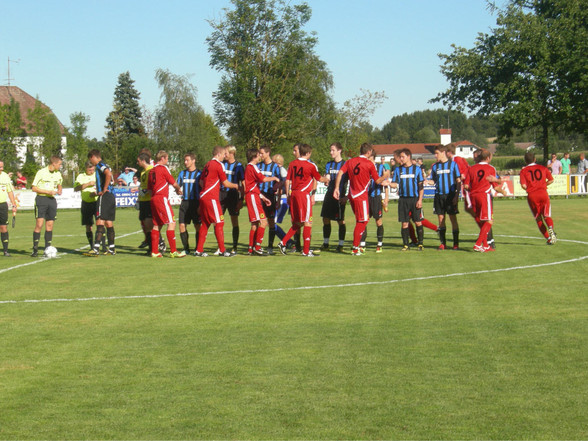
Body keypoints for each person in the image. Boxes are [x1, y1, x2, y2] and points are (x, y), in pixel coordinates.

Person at [333, 143, 389, 256]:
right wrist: (385, 175)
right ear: (368, 152)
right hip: (361, 196)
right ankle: (355, 248)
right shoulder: (369, 163)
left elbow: (340, 173)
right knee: (362, 221)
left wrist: (336, 188)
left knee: (361, 220)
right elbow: (377, 181)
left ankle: (357, 246)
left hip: (352, 196)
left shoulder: (350, 161)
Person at [277, 143, 328, 257]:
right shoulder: (310, 166)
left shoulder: (292, 164)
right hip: (303, 195)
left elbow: (287, 180)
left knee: (298, 223)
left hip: (293, 194)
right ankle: (305, 251)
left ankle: (283, 242)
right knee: (307, 222)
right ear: (308, 153)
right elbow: (319, 178)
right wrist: (327, 178)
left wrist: (289, 194)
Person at [194, 146, 239, 257]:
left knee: (205, 223)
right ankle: (222, 250)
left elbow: (201, 182)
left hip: (204, 196)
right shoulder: (219, 165)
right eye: (224, 154)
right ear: (218, 154)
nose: (225, 156)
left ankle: (198, 250)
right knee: (219, 222)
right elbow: (225, 183)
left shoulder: (207, 164)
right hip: (211, 197)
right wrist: (237, 186)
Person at [463, 149, 506, 252]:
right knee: (489, 221)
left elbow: (466, 185)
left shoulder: (471, 168)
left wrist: (474, 189)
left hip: (473, 196)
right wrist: (503, 192)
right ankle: (478, 244)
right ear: (488, 158)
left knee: (482, 221)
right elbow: (495, 187)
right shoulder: (490, 168)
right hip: (484, 196)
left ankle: (486, 245)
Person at [148, 151, 184, 258]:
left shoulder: (152, 171)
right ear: (162, 158)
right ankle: (173, 251)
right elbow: (173, 182)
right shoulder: (162, 169)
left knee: (157, 224)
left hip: (153, 198)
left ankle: (154, 251)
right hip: (161, 198)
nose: (167, 161)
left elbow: (149, 189)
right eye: (167, 158)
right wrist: (178, 190)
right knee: (171, 222)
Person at [244, 148, 280, 255]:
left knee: (255, 224)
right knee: (264, 222)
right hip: (252, 197)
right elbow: (263, 179)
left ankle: (251, 248)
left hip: (254, 195)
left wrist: (262, 197)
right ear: (254, 156)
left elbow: (252, 185)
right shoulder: (252, 167)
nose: (260, 156)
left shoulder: (250, 167)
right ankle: (258, 246)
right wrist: (274, 178)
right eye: (258, 155)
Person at [390, 149, 425, 251]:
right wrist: (387, 183)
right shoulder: (398, 170)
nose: (401, 159)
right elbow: (394, 184)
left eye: (402, 157)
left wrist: (420, 200)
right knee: (404, 223)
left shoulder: (417, 169)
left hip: (414, 199)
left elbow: (421, 186)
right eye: (400, 157)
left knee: (418, 222)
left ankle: (420, 244)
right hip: (403, 200)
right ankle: (406, 245)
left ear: (408, 156)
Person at [519, 152, 557, 244]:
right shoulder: (543, 168)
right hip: (543, 193)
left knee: (538, 218)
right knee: (547, 215)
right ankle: (551, 230)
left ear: (525, 161)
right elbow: (551, 180)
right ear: (535, 159)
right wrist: (544, 184)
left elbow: (523, 185)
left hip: (532, 195)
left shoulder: (524, 171)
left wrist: (530, 188)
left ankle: (548, 238)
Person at [429, 145, 462, 250]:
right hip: (439, 195)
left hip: (450, 196)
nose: (435, 156)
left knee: (453, 218)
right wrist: (427, 181)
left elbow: (458, 181)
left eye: (437, 153)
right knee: (440, 219)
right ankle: (443, 243)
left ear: (443, 153)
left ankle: (455, 244)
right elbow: (433, 180)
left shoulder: (453, 164)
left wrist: (456, 196)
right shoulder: (435, 166)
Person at [31, 156, 63, 257]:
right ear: (54, 164)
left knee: (50, 225)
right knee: (39, 225)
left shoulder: (58, 174)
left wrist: (59, 189)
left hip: (51, 201)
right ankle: (35, 249)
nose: (60, 166)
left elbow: (59, 183)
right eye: (59, 164)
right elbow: (34, 188)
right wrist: (47, 191)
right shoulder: (41, 172)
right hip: (41, 199)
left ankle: (47, 249)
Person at [87, 149, 116, 255]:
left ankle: (96, 248)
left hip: (105, 195)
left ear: (93, 157)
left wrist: (104, 189)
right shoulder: (106, 164)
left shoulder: (100, 164)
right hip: (111, 195)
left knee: (99, 220)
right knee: (108, 222)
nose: (92, 163)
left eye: (91, 160)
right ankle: (112, 248)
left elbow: (108, 174)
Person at [320, 142, 348, 253]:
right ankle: (326, 243)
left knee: (340, 220)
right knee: (325, 219)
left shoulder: (345, 164)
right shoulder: (329, 164)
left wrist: (346, 196)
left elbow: (351, 181)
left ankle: (340, 245)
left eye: (333, 150)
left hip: (340, 196)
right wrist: (326, 180)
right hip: (329, 195)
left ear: (339, 150)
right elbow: (327, 176)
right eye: (330, 150)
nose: (331, 152)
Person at [359, 153, 389, 253]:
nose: (367, 160)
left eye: (369, 159)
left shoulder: (380, 167)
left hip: (376, 197)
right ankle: (362, 245)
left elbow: (385, 183)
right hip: (366, 197)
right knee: (364, 221)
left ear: (373, 158)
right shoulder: (364, 167)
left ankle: (379, 244)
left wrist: (386, 198)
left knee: (378, 221)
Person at [257, 145, 283, 254]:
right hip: (260, 196)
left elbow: (281, 182)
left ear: (268, 153)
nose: (260, 155)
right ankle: (255, 245)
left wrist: (278, 199)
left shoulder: (275, 167)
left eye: (262, 153)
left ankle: (270, 246)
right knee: (259, 221)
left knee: (271, 222)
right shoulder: (258, 166)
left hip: (270, 197)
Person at [220, 145, 245, 254]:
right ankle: (220, 247)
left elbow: (243, 184)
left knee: (234, 220)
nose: (224, 155)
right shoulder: (222, 164)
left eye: (226, 153)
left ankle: (234, 246)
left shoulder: (239, 166)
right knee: (218, 221)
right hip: (221, 194)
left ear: (231, 153)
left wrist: (241, 199)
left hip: (233, 195)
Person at [176, 153, 201, 254]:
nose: (185, 162)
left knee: (197, 226)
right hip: (185, 203)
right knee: (182, 225)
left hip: (196, 203)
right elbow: (177, 186)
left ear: (193, 160)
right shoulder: (182, 173)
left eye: (187, 160)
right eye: (185, 160)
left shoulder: (200, 173)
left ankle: (198, 248)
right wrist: (178, 190)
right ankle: (186, 248)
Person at [73, 161, 98, 248]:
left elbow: (103, 186)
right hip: (86, 203)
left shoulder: (97, 175)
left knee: (100, 224)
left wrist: (96, 193)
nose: (91, 171)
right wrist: (87, 184)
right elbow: (76, 188)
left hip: (97, 202)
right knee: (88, 225)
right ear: (86, 169)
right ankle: (92, 246)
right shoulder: (81, 176)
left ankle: (101, 246)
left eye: (93, 169)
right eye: (89, 170)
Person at [0, 160, 19, 256]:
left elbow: (10, 191)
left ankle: (5, 250)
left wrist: (13, 204)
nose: (2, 169)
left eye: (2, 167)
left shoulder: (5, 177)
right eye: (0, 167)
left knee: (3, 227)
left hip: (2, 205)